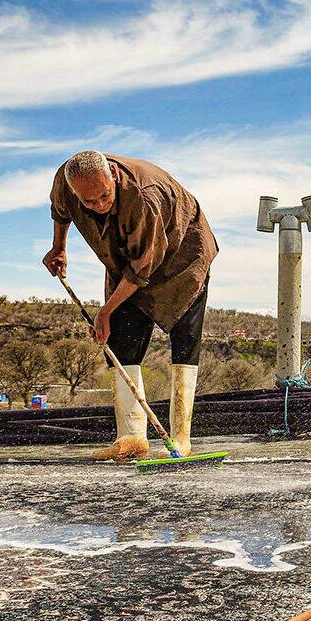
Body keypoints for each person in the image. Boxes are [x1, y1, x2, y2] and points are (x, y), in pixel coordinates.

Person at [43, 151, 218, 461]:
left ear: (113, 173)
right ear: (75, 190)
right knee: (121, 340)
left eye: (104, 196)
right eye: (89, 202)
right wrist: (59, 248)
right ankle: (132, 437)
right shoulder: (66, 182)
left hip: (182, 257)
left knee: (183, 338)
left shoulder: (145, 197)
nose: (99, 205)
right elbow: (60, 211)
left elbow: (141, 270)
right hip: (126, 258)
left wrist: (105, 310)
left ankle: (180, 439)